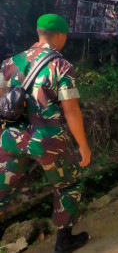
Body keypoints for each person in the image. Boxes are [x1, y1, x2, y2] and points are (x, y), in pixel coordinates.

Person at [0, 14, 91, 252]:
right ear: (60, 36)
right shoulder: (62, 65)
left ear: (39, 32)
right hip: (47, 140)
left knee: (2, 190)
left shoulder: (10, 62)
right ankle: (64, 241)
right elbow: (71, 110)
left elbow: (2, 101)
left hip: (11, 138)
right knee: (68, 184)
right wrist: (83, 145)